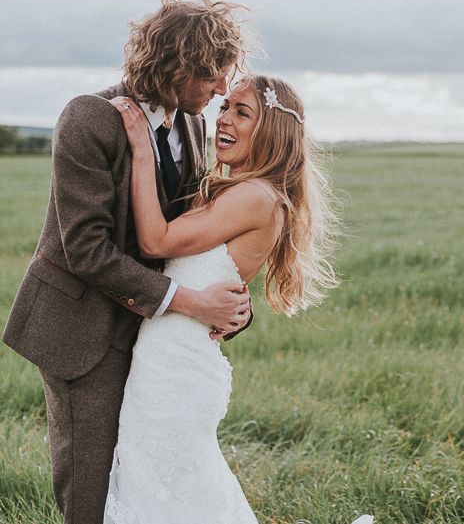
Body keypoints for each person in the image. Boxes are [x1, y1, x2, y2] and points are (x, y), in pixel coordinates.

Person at [2, 0, 254, 524]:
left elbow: (185, 234)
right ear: (178, 65)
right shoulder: (89, 118)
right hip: (80, 328)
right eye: (213, 75)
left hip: (152, 333)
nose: (221, 91)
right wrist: (191, 303)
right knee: (93, 490)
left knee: (141, 475)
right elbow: (87, 250)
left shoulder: (191, 123)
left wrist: (229, 300)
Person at [103, 76, 371, 523]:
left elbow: (155, 241)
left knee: (165, 495)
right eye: (224, 106)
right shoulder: (236, 189)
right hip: (165, 365)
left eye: (242, 112)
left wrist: (141, 151)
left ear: (271, 132)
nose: (224, 119)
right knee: (171, 495)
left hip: (176, 375)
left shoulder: (256, 197)